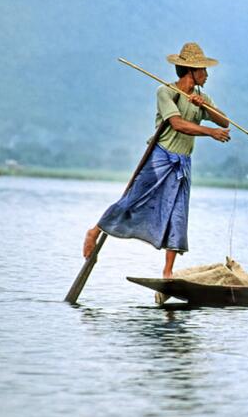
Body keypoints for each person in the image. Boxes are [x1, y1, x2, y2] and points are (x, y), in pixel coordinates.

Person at [82, 42, 231, 284]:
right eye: (202, 69)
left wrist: (206, 108)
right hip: (160, 158)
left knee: (178, 214)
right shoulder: (166, 92)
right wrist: (209, 131)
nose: (206, 74)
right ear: (190, 71)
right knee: (133, 200)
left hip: (183, 163)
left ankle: (168, 273)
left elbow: (224, 122)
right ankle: (95, 230)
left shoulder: (201, 97)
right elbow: (177, 123)